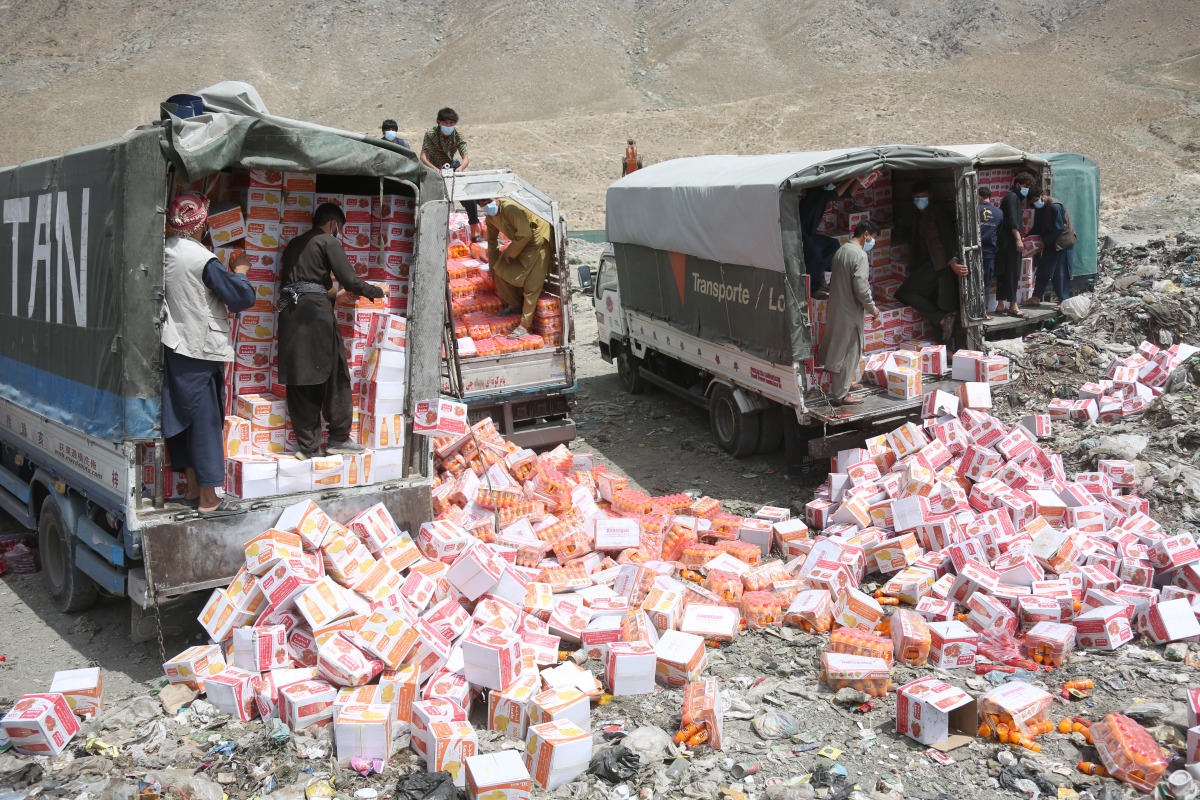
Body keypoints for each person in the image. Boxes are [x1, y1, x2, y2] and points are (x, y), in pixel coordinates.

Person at [161, 194, 256, 517]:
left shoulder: (165, 251)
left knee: (184, 419)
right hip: (200, 348)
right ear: (200, 224)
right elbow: (241, 298)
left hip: (175, 345)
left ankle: (190, 487)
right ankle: (208, 499)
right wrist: (240, 270)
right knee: (205, 422)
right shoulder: (201, 258)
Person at [278, 203, 385, 459]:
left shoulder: (293, 245)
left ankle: (308, 447)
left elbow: (304, 285)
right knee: (335, 373)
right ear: (334, 224)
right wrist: (376, 291)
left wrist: (331, 295)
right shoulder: (328, 241)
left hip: (289, 315)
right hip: (316, 315)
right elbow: (350, 280)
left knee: (300, 378)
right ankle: (338, 438)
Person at [894, 181, 968, 345]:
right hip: (926, 265)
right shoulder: (918, 215)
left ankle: (943, 323)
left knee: (905, 292)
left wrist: (953, 261)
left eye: (922, 197)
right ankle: (946, 347)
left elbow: (949, 238)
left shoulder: (937, 212)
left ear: (930, 196)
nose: (919, 200)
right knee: (935, 305)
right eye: (916, 198)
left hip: (939, 264)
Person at [820, 221, 881, 406]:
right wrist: (873, 309)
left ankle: (845, 385)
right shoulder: (860, 255)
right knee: (849, 352)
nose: (872, 242)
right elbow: (861, 288)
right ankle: (840, 394)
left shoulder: (842, 250)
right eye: (873, 238)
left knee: (841, 348)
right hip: (851, 311)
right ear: (866, 235)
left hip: (838, 307)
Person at [481, 197, 554, 338]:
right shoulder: (491, 218)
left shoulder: (510, 209)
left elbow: (526, 233)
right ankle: (515, 306)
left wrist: (511, 251)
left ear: (496, 198)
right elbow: (491, 242)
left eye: (488, 201)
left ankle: (525, 325)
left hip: (537, 240)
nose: (487, 206)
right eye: (482, 204)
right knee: (500, 272)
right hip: (521, 242)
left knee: (532, 285)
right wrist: (492, 267)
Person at [420, 107, 480, 240]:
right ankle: (430, 231)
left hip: (452, 165)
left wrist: (460, 169)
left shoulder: (457, 135)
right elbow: (423, 156)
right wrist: (434, 169)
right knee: (434, 198)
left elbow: (465, 157)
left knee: (468, 195)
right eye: (445, 123)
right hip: (433, 167)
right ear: (438, 122)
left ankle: (475, 229)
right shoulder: (430, 134)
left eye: (451, 123)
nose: (448, 126)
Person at [799, 176, 860, 299]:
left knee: (833, 245)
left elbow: (850, 194)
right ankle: (813, 289)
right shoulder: (814, 192)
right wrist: (851, 177)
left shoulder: (825, 191)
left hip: (810, 234)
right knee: (814, 254)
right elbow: (834, 194)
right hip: (799, 233)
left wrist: (859, 180)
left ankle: (817, 274)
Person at [1024, 186, 1077, 307]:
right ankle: (1036, 297)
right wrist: (1026, 238)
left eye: (1036, 200)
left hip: (1062, 243)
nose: (1035, 203)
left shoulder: (1054, 206)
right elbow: (1037, 227)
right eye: (1033, 202)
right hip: (1051, 242)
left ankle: (1063, 301)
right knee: (1043, 270)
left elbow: (1059, 228)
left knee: (1060, 273)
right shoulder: (1040, 208)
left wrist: (1045, 242)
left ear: (1043, 195)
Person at [996, 171, 1037, 318]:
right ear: (1018, 184)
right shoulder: (1013, 198)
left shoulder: (1009, 197)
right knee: (1013, 272)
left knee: (1003, 272)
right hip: (1010, 241)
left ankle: (1000, 305)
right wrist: (1019, 239)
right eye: (1025, 186)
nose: (1026, 190)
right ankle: (1013, 306)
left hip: (1003, 242)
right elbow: (1013, 221)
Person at [978, 186, 1004, 320]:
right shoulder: (999, 213)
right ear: (990, 197)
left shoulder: (973, 210)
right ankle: (984, 312)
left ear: (979, 197)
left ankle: (972, 312)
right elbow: (999, 232)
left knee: (972, 282)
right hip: (989, 252)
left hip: (974, 252)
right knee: (986, 283)